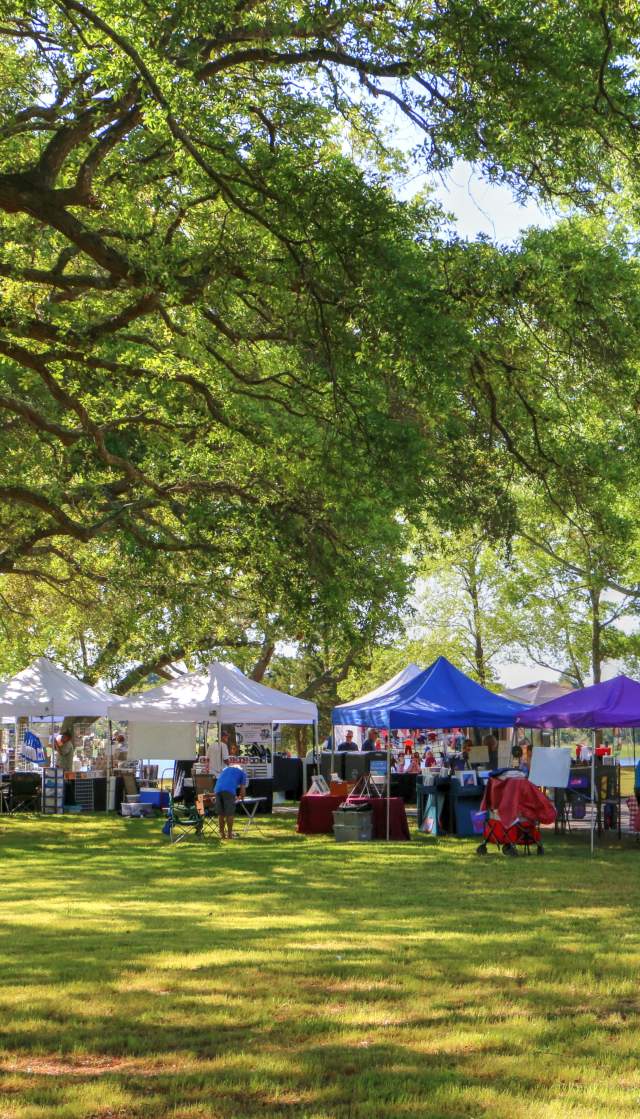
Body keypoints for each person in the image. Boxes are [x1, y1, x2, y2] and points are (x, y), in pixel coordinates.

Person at [214, 758, 248, 839]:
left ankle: (222, 834)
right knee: (230, 814)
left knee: (221, 814)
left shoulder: (226, 769)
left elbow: (222, 781)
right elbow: (242, 790)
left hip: (217, 789)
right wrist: (241, 797)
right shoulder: (242, 772)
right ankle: (229, 834)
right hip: (229, 791)